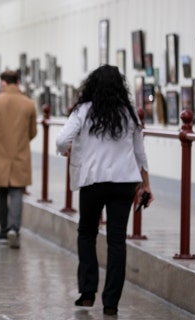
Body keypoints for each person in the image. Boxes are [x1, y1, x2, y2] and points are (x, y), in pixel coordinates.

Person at [55, 65, 154, 316]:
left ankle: (88, 293)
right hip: (124, 182)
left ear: (92, 86)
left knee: (87, 232)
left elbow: (60, 140)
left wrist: (66, 150)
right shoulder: (130, 114)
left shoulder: (83, 111)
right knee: (117, 240)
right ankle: (111, 303)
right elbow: (140, 154)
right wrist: (146, 185)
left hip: (92, 181)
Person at [0, 70, 37, 248]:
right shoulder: (29, 104)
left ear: (2, 83)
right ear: (18, 82)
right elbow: (33, 132)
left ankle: (3, 230)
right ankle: (14, 229)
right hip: (20, 154)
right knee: (17, 192)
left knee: (1, 193)